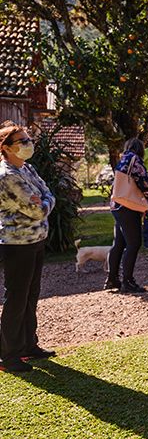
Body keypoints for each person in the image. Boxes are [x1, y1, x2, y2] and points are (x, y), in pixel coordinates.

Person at [0, 121, 56, 373]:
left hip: (36, 240)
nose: (28, 145)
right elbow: (37, 210)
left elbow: (48, 195)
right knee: (16, 298)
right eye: (22, 141)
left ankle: (28, 345)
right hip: (17, 244)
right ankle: (9, 355)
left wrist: (44, 201)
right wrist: (44, 202)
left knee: (31, 295)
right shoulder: (8, 176)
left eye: (28, 140)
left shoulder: (27, 169)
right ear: (6, 148)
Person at [105, 138, 148, 293]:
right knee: (134, 243)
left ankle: (112, 278)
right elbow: (143, 182)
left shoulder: (123, 160)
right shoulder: (135, 160)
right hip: (129, 207)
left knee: (119, 243)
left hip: (117, 205)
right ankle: (128, 281)